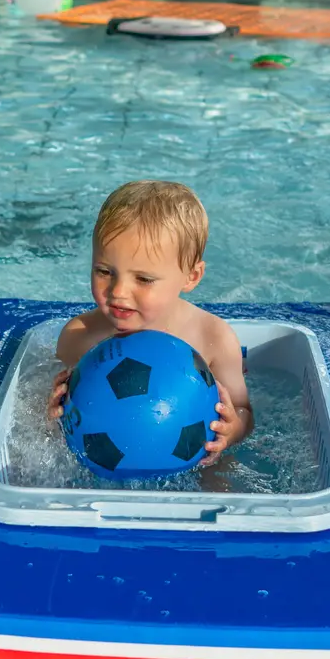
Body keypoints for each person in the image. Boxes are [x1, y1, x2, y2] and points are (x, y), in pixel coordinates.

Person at [45, 181, 251, 461]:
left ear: (191, 276)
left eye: (143, 279)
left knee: (221, 472)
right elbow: (50, 412)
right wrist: (52, 412)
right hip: (103, 459)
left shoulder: (213, 338)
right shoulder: (80, 336)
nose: (118, 291)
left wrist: (233, 429)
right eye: (104, 271)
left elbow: (243, 409)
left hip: (198, 460)